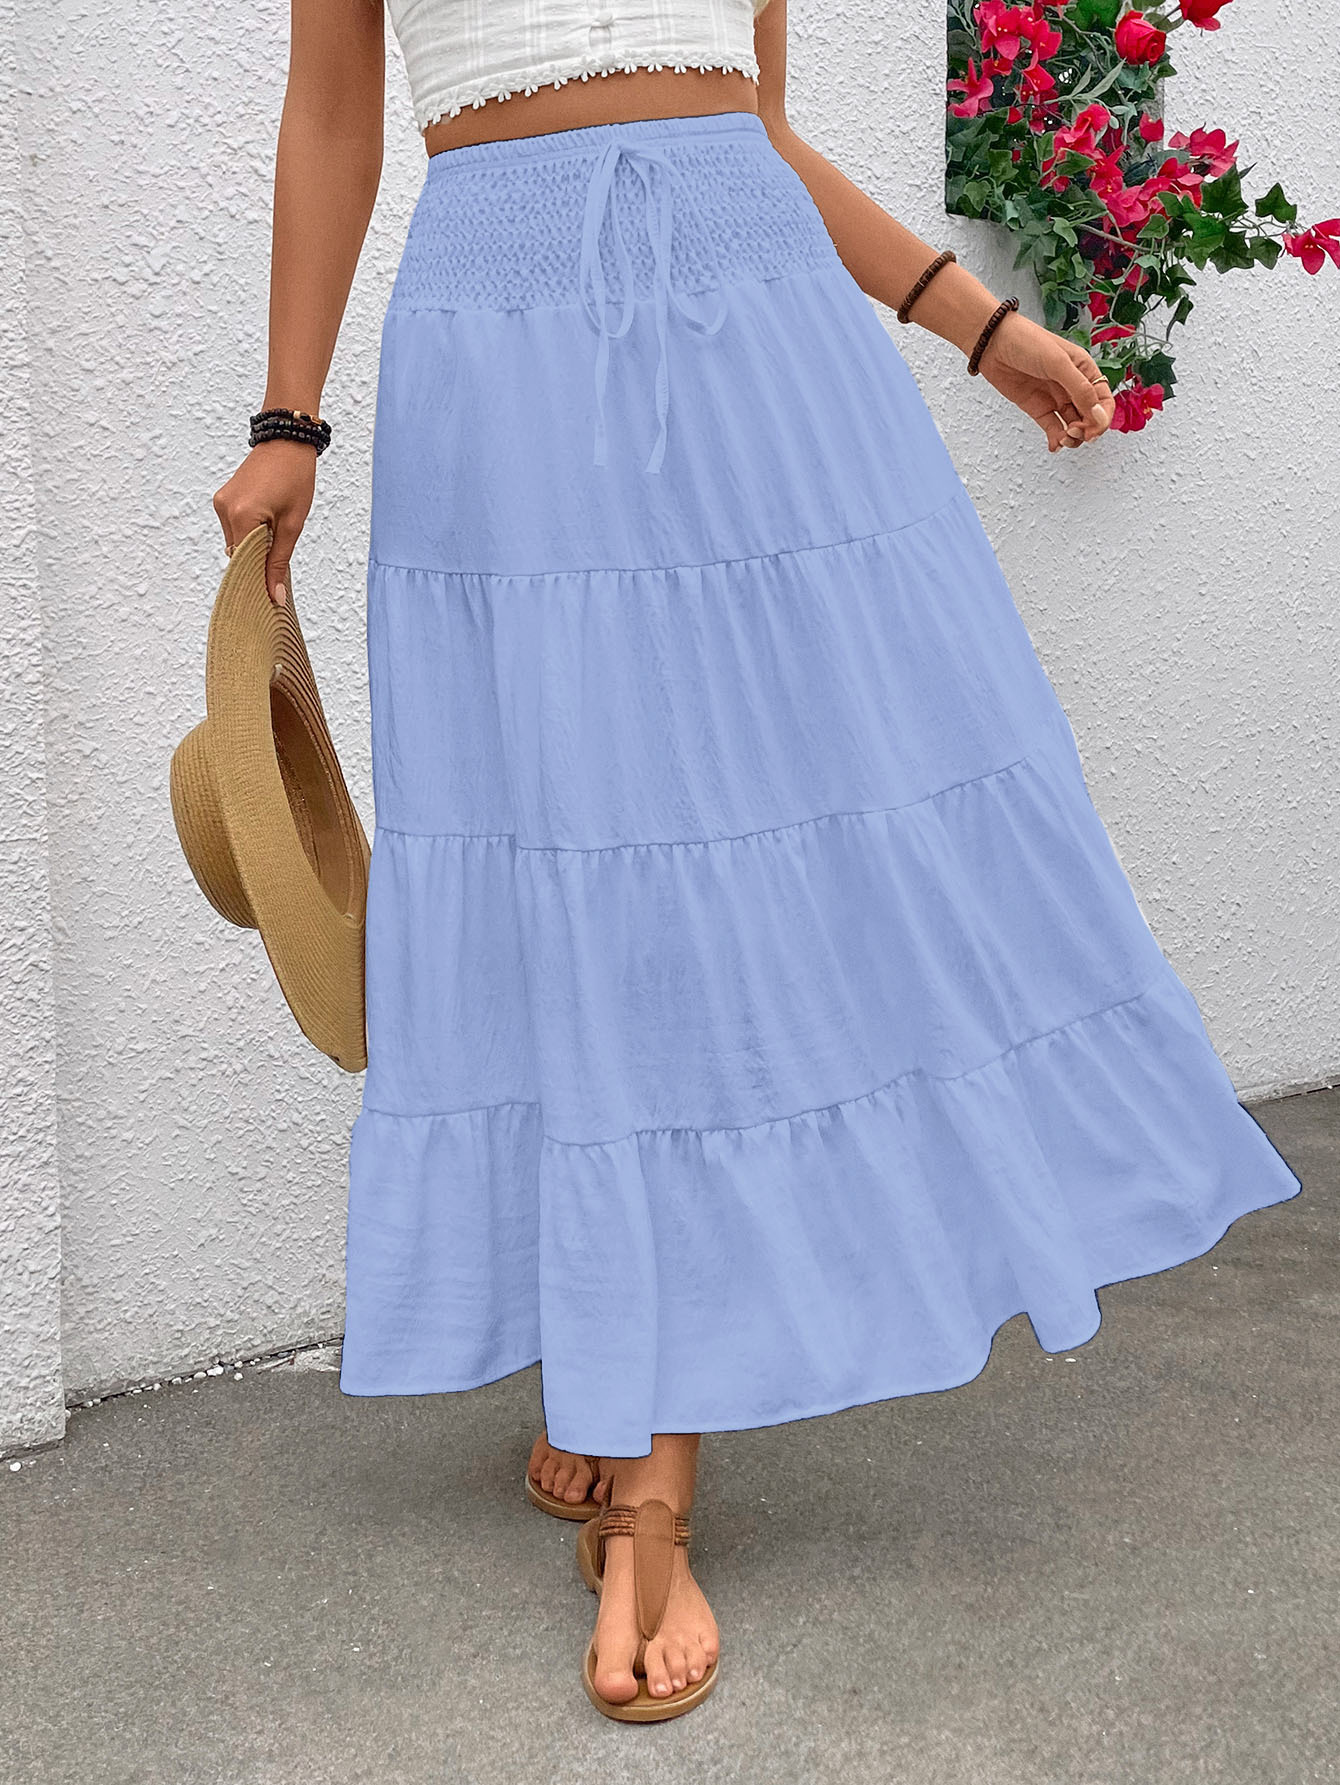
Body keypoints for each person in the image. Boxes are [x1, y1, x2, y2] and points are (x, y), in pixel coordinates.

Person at [212, 0, 1302, 1724]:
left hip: (761, 343)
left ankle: (651, 1444)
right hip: (500, 349)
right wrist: (289, 419)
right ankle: (615, 1344)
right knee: (569, 842)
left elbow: (758, 130)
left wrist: (977, 324)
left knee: (713, 851)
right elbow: (334, 114)